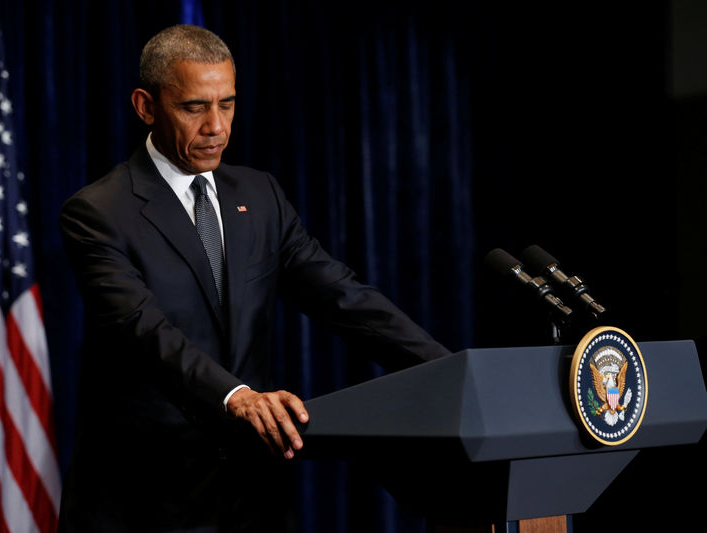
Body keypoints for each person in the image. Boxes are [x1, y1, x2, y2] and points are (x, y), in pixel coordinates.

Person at [57, 24, 451, 532]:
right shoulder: (98, 211)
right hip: (143, 497)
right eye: (194, 107)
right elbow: (144, 331)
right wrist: (237, 396)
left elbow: (341, 296)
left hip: (252, 497)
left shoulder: (259, 195)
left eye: (228, 104)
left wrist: (446, 369)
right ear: (146, 106)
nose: (216, 126)